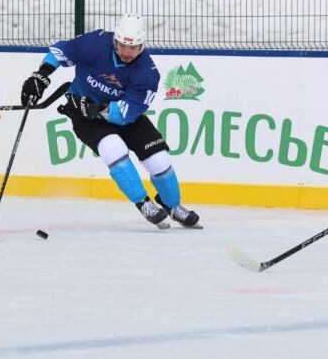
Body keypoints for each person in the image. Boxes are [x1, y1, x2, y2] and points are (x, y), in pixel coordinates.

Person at [21, 14, 200, 229]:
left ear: (142, 46)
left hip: (123, 117)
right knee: (113, 148)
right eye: (122, 45)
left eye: (132, 47)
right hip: (85, 118)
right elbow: (61, 51)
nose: (126, 52)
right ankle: (143, 203)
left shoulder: (147, 73)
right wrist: (41, 76)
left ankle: (172, 205)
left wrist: (93, 107)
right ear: (115, 40)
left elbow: (124, 114)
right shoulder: (95, 43)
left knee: (159, 159)